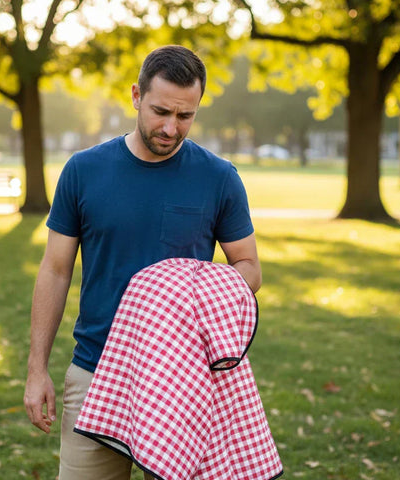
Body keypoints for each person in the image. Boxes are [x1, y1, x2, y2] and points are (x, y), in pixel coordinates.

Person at [24, 45, 262, 480]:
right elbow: (55, 271)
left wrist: (188, 284)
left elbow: (249, 268)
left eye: (185, 116)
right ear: (136, 95)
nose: (171, 127)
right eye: (160, 111)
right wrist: (36, 370)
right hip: (95, 372)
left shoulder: (219, 177)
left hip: (182, 379)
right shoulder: (83, 170)